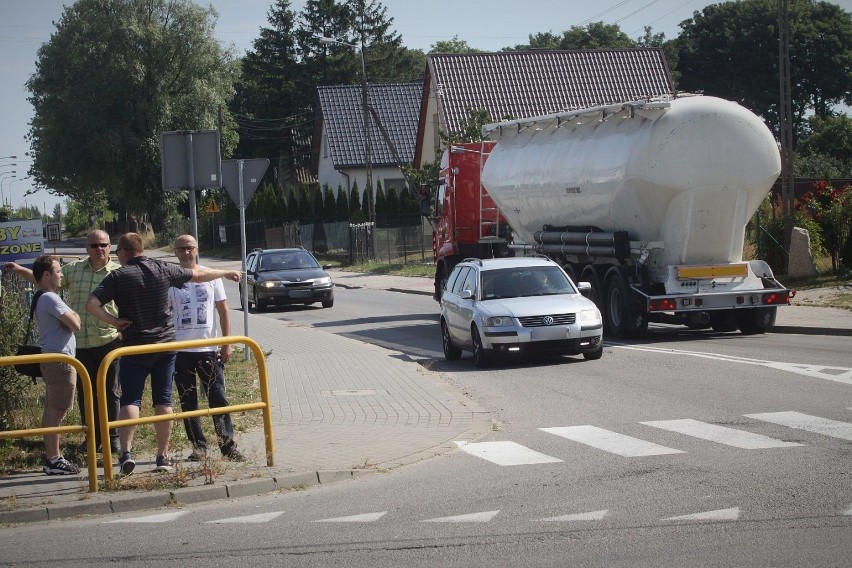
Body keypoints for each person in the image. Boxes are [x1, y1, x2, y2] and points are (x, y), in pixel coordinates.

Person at [85, 232, 243, 476]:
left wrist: (115, 322)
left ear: (124, 253)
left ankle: (126, 452)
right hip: (167, 348)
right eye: (181, 249)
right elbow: (199, 276)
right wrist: (224, 272)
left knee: (131, 400)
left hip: (140, 347)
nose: (185, 252)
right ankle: (163, 455)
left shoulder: (119, 275)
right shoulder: (163, 269)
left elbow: (91, 304)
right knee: (165, 401)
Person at [3, 230, 122, 456]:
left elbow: (130, 299)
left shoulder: (117, 273)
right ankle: (91, 438)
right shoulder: (75, 270)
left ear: (110, 247)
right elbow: (45, 279)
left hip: (107, 341)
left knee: (111, 392)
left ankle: (112, 437)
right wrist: (20, 271)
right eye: (94, 245)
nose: (99, 249)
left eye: (103, 244)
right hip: (81, 345)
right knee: (85, 395)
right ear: (87, 248)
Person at [168, 234, 245, 462]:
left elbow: (223, 309)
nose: (185, 252)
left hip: (207, 349)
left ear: (197, 249)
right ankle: (198, 446)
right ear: (175, 252)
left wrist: (226, 343)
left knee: (218, 397)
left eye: (189, 248)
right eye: (181, 249)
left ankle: (227, 445)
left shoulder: (212, 277)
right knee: (188, 400)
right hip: (180, 350)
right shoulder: (170, 279)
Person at [31, 255, 82, 475]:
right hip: (59, 361)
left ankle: (54, 457)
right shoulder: (51, 298)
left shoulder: (44, 297)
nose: (61, 275)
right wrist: (74, 314)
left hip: (55, 360)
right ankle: (53, 458)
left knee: (53, 408)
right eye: (58, 271)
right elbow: (76, 324)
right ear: (46, 275)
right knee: (56, 409)